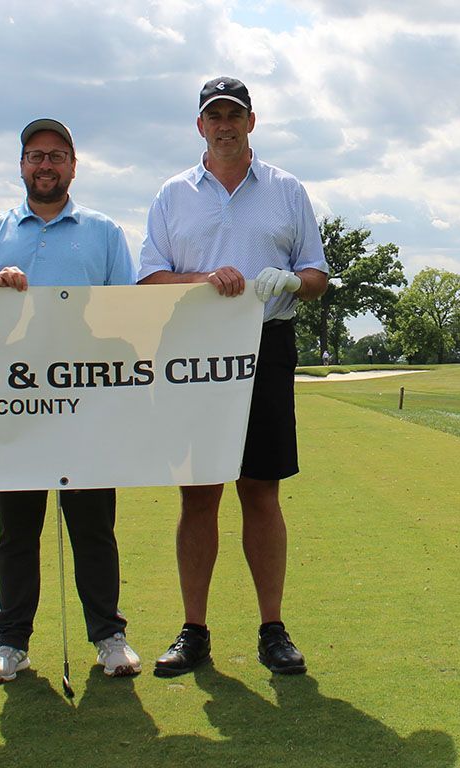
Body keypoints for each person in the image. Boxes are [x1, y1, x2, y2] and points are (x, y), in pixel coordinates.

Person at [138, 77, 329, 676]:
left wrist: (292, 281)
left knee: (261, 489)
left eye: (234, 115)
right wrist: (202, 280)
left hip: (266, 346)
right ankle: (194, 630)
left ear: (251, 121)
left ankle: (273, 628)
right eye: (214, 116)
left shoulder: (285, 189)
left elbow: (316, 273)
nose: (224, 125)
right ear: (200, 126)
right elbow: (150, 279)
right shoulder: (173, 193)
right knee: (198, 493)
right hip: (194, 354)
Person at [0, 118, 141, 683]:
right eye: (35, 155)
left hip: (85, 403)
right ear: (21, 165)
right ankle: (10, 642)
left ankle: (109, 635)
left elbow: (127, 316)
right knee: (16, 531)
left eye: (57, 156)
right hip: (12, 404)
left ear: (73, 167)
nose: (45, 165)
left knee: (93, 527)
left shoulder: (103, 231)